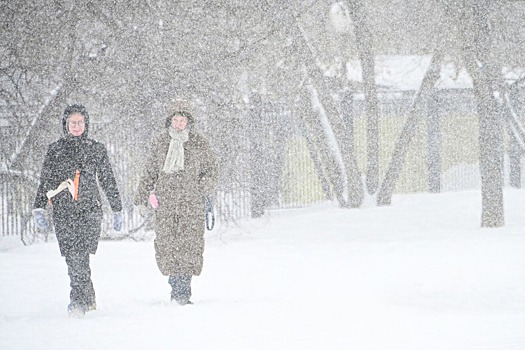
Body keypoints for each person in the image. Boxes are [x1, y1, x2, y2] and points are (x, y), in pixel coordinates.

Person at [32, 104, 123, 317]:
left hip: (89, 210)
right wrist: (39, 206)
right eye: (72, 122)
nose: (76, 126)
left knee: (80, 255)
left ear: (86, 124)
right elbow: (46, 180)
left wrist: (117, 208)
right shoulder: (55, 150)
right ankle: (84, 298)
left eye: (80, 122)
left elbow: (108, 179)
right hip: (64, 211)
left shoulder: (96, 148)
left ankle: (79, 299)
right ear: (65, 124)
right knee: (72, 256)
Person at [134, 103, 218, 305]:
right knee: (167, 244)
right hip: (166, 203)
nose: (179, 124)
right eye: (175, 120)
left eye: (183, 120)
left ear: (189, 122)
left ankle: (183, 291)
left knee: (189, 244)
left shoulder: (199, 143)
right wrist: (141, 196)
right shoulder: (161, 143)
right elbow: (150, 171)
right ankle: (175, 282)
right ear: (169, 121)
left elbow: (212, 170)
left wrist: (201, 187)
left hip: (191, 203)